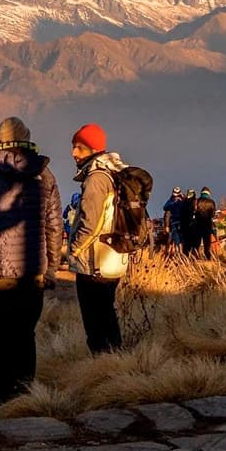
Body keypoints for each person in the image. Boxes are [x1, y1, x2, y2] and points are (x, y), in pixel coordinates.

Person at [0, 117, 62, 401]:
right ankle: (27, 396)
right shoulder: (45, 174)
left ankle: (6, 400)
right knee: (26, 335)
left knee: (4, 339)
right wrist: (52, 268)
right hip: (33, 272)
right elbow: (54, 226)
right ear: (26, 138)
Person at [68, 123, 130, 354]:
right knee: (107, 314)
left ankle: (102, 365)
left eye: (79, 148)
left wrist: (74, 250)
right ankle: (116, 360)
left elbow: (90, 222)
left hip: (95, 262)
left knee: (95, 321)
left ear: (93, 149)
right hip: (114, 258)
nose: (73, 153)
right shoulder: (115, 173)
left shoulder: (96, 178)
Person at [193, 187, 217, 259]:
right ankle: (207, 258)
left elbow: (193, 212)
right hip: (207, 225)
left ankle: (195, 257)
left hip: (198, 224)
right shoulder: (211, 202)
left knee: (197, 243)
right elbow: (213, 215)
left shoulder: (196, 201)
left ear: (201, 193)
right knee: (207, 243)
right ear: (208, 193)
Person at [163, 187, 186, 257]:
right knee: (176, 238)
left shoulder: (181, 200)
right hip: (175, 222)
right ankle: (178, 253)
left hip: (179, 222)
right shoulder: (172, 200)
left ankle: (179, 253)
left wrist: (183, 198)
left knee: (179, 238)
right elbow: (165, 208)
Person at [181, 189, 198, 256]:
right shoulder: (195, 201)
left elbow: (182, 213)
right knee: (193, 242)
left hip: (185, 224)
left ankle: (186, 257)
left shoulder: (184, 202)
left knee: (186, 243)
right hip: (192, 224)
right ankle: (194, 257)